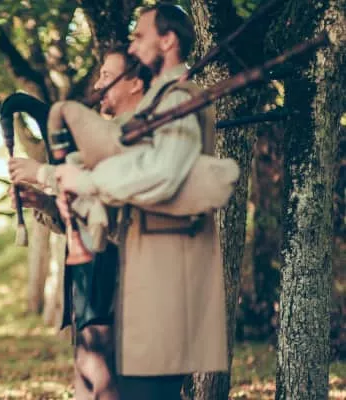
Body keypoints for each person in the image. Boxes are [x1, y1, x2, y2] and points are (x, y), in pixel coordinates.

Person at [51, 3, 229, 399]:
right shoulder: (159, 104)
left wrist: (88, 181)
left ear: (168, 40)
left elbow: (162, 175)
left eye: (140, 36)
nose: (132, 46)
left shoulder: (179, 100)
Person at [8, 46, 151, 400]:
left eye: (107, 76)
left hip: (123, 288)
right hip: (91, 291)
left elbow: (118, 205)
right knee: (93, 388)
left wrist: (42, 173)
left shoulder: (142, 134)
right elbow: (89, 210)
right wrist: (44, 202)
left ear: (135, 83)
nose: (98, 84)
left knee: (111, 389)